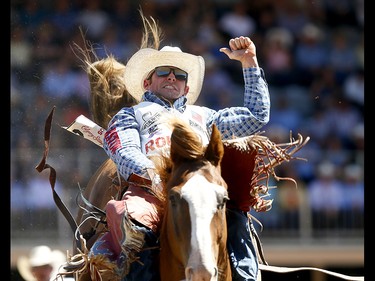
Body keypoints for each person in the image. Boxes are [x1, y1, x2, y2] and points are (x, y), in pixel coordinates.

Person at [88, 34, 270, 281]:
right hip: (150, 192)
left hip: (200, 188)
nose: (172, 76)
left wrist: (249, 62)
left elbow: (256, 117)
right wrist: (155, 177)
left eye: (180, 74)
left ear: (186, 87)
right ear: (147, 82)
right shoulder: (131, 114)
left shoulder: (205, 117)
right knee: (135, 228)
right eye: (164, 71)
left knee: (234, 217)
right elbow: (123, 151)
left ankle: (246, 276)